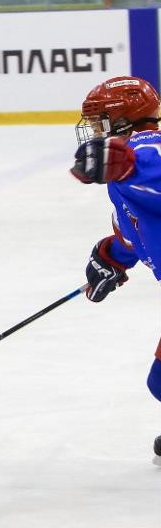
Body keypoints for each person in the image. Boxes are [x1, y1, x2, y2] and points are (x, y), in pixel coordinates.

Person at [69, 75, 161, 463]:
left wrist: (128, 166)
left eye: (99, 122)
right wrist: (112, 256)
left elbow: (152, 165)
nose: (92, 133)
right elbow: (135, 230)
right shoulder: (122, 181)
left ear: (122, 123)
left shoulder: (146, 147)